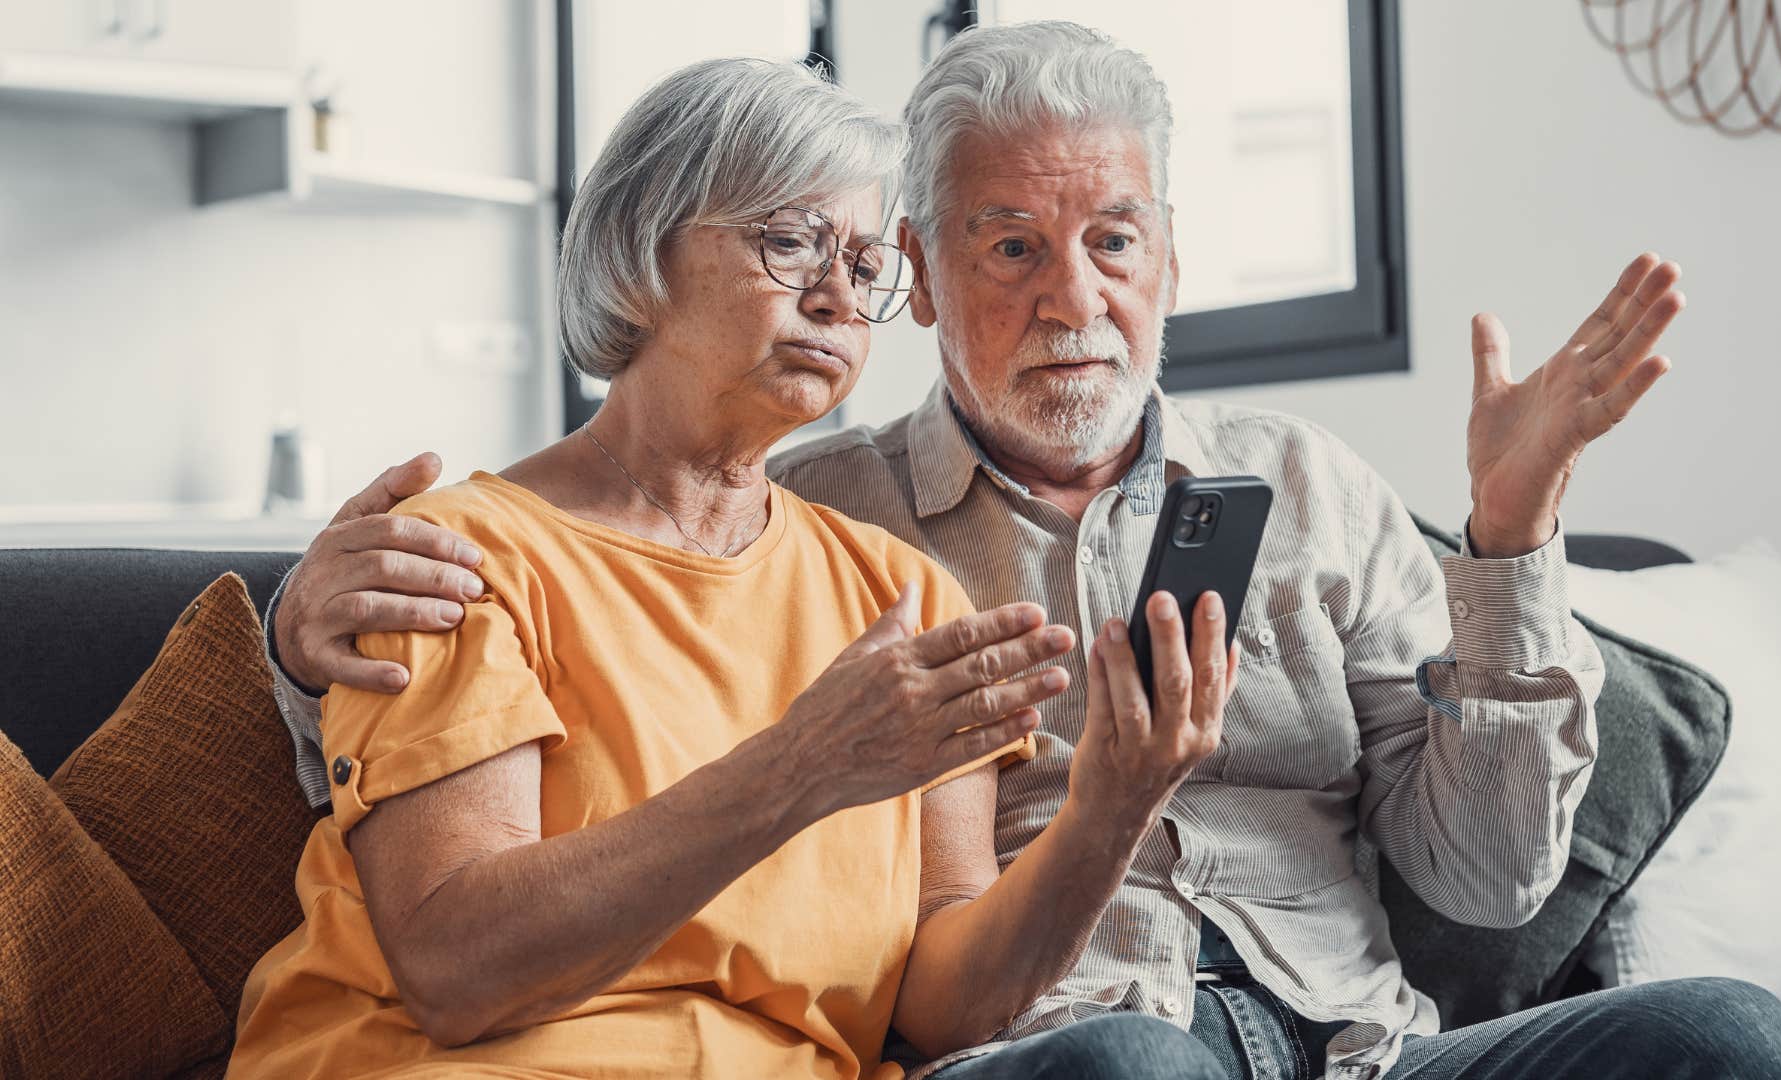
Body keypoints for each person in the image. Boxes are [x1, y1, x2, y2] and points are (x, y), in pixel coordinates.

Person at [262, 22, 1781, 1080]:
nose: (1071, 298)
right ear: (939, 295)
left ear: (1171, 263)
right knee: (1121, 1067)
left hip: (1360, 1042)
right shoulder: (827, 525)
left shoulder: (1278, 494)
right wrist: (292, 634)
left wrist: (1508, 540)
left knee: (1738, 1043)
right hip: (1090, 1040)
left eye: (1112, 243)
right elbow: (459, 771)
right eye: (1007, 248)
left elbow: (1491, 886)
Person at [229, 55, 1239, 1080]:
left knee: (1132, 1061)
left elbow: (946, 1009)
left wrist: (1112, 810)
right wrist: (801, 765)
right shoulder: (459, 555)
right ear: (643, 253)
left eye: (861, 262)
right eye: (792, 243)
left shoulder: (904, 596)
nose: (841, 297)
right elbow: (456, 969)